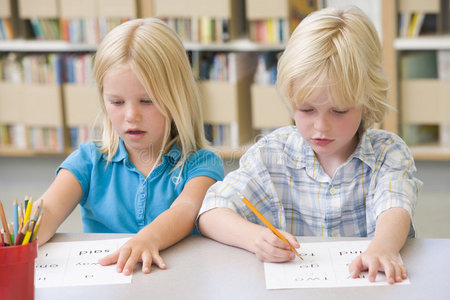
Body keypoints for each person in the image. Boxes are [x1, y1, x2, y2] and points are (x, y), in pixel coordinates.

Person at [198, 6, 422, 285]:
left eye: (338, 111)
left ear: (366, 101)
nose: (321, 127)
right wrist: (255, 239)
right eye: (306, 110)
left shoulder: (388, 152)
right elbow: (211, 212)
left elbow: (395, 207)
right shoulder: (272, 154)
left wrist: (383, 248)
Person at [37, 18, 224, 275]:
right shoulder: (88, 161)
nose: (131, 116)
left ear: (177, 97)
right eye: (116, 102)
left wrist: (148, 238)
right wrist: (20, 234)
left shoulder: (201, 163)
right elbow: (48, 208)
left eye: (147, 101)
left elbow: (186, 209)